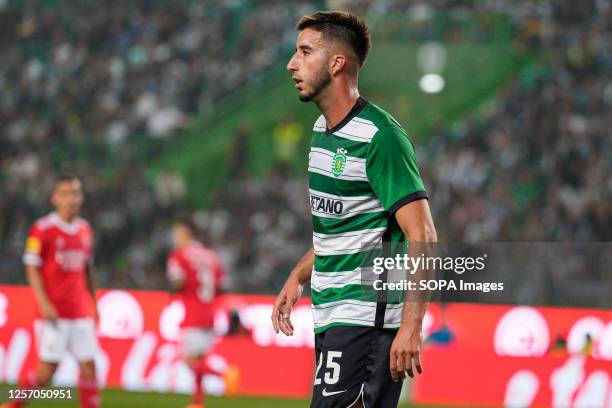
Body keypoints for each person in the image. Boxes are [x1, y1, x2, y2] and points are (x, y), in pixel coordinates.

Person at [272, 11, 437, 408]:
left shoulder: (381, 137)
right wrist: (298, 275)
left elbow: (423, 235)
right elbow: (344, 231)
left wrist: (411, 327)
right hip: (332, 314)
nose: (292, 63)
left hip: (366, 317)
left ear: (336, 63)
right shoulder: (320, 133)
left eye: (305, 52)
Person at [7, 174, 99, 408]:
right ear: (54, 198)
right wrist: (43, 301)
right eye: (65, 193)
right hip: (54, 313)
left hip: (79, 312)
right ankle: (14, 404)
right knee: (47, 373)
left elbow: (88, 268)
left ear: (82, 197)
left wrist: (94, 303)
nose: (72, 198)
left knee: (89, 368)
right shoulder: (43, 229)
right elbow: (31, 267)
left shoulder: (84, 229)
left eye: (75, 193)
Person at [166, 218, 239, 408]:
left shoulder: (179, 255)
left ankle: (224, 374)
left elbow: (178, 281)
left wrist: (174, 290)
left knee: (190, 361)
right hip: (209, 315)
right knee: (198, 361)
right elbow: (223, 286)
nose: (175, 238)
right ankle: (197, 403)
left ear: (185, 233)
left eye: (177, 233)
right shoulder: (212, 256)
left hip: (192, 315)